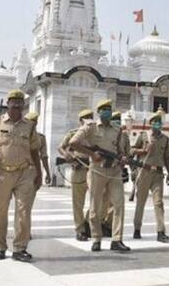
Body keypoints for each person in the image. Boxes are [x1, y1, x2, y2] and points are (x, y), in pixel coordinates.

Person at [0, 89, 42, 262]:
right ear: (7, 103)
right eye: (13, 101)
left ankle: (19, 248)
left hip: (24, 173)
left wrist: (39, 173)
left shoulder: (29, 126)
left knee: (24, 212)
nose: (16, 104)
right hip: (1, 173)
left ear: (23, 105)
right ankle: (0, 247)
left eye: (19, 101)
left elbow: (35, 151)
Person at [69, 99, 130, 252]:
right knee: (95, 206)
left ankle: (117, 239)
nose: (107, 112)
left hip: (114, 170)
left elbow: (120, 149)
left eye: (109, 109)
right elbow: (73, 143)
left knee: (119, 205)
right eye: (104, 109)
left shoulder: (117, 129)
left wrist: (122, 157)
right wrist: (92, 154)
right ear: (98, 112)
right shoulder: (90, 127)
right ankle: (96, 238)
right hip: (97, 170)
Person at [131, 111, 169, 242]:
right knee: (140, 202)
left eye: (159, 122)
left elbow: (167, 157)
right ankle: (137, 228)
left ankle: (161, 231)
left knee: (159, 203)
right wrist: (143, 150)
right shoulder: (144, 136)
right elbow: (131, 151)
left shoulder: (165, 139)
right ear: (150, 124)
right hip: (144, 172)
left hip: (158, 174)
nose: (157, 124)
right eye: (154, 122)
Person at [58, 108, 94, 241]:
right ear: (80, 121)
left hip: (92, 169)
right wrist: (68, 155)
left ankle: (86, 222)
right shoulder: (73, 133)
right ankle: (80, 229)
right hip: (78, 169)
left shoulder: (96, 134)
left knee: (97, 200)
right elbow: (61, 147)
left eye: (91, 116)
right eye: (86, 117)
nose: (89, 119)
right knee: (78, 203)